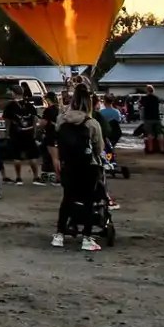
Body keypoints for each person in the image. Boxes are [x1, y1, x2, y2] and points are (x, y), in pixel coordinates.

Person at [53, 90, 106, 251]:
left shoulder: (62, 120)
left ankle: (59, 234)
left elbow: (57, 140)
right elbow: (99, 147)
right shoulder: (91, 123)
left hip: (68, 165)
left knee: (67, 199)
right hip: (87, 166)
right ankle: (87, 237)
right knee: (89, 201)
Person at [5, 86, 41, 185]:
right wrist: (34, 131)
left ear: (14, 93)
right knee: (32, 156)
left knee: (17, 157)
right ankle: (36, 177)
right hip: (29, 133)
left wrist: (7, 133)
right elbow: (34, 119)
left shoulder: (10, 106)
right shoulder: (29, 105)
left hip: (16, 134)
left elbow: (7, 121)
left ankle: (18, 177)